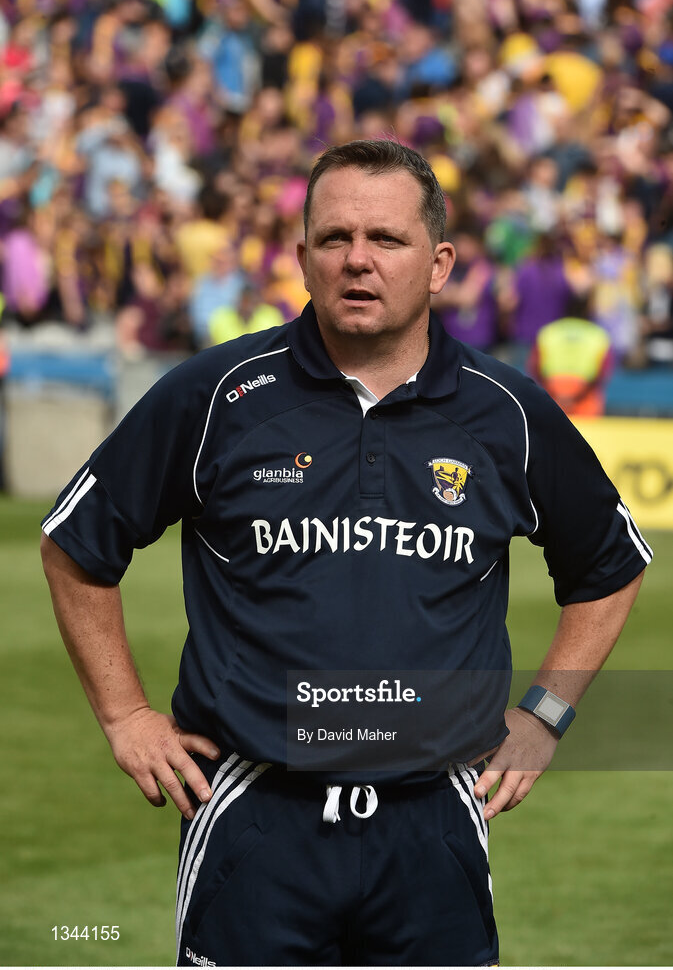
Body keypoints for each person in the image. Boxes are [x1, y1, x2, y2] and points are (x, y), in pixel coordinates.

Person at [41, 139, 651, 967]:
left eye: (385, 239)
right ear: (302, 259)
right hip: (256, 813)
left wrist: (545, 716)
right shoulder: (217, 394)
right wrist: (124, 716)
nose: (356, 260)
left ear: (438, 264)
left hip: (434, 818)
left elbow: (609, 565)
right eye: (333, 239)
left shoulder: (506, 413)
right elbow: (76, 542)